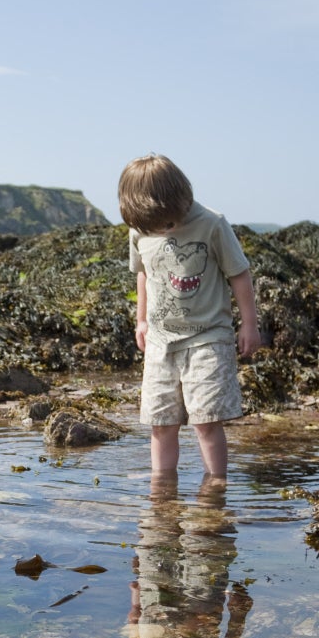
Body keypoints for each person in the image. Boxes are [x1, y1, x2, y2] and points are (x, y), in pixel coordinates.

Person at [118, 153, 262, 483]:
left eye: (166, 224)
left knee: (207, 420)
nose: (162, 230)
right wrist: (141, 320)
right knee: (160, 422)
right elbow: (142, 274)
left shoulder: (212, 223)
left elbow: (239, 273)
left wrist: (249, 324)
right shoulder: (139, 230)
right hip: (160, 342)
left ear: (178, 200)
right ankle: (162, 492)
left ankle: (216, 489)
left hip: (208, 338)